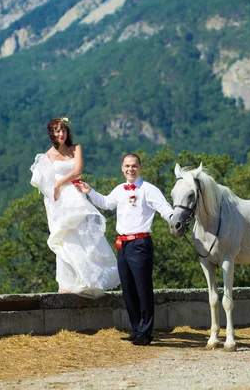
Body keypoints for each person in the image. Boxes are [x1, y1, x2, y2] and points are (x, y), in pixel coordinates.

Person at [75, 153, 173, 346]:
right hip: (122, 244)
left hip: (140, 244)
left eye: (134, 166)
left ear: (140, 168)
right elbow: (105, 203)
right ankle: (136, 329)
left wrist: (176, 220)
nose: (130, 169)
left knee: (143, 289)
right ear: (122, 168)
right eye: (127, 166)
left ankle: (145, 332)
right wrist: (89, 191)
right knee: (128, 289)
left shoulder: (149, 189)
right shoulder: (120, 190)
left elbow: (164, 208)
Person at [30, 116, 120, 297]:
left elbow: (77, 170)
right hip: (60, 202)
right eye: (57, 131)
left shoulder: (76, 148)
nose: (61, 134)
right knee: (65, 238)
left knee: (84, 235)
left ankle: (89, 278)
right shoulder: (47, 156)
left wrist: (59, 183)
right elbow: (39, 180)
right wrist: (52, 189)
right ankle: (68, 281)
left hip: (76, 196)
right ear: (52, 134)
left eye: (63, 130)